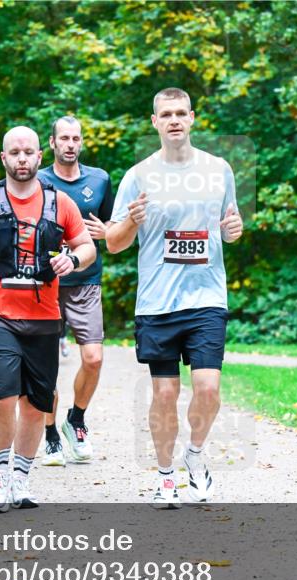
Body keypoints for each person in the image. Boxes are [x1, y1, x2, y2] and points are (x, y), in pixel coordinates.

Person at [105, 87, 243, 509]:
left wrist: (233, 232)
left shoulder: (219, 169)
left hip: (206, 297)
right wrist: (131, 220)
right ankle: (166, 475)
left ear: (193, 118)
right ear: (155, 121)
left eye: (181, 112)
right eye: (166, 114)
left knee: (208, 389)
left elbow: (229, 226)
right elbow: (112, 243)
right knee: (164, 395)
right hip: (157, 303)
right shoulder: (138, 176)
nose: (174, 120)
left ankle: (195, 455)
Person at [0, 126, 95, 512]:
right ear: (4, 158)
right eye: (15, 152)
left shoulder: (61, 203)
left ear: (39, 157)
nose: (22, 159)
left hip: (44, 317)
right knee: (3, 392)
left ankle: (20, 478)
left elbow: (87, 247)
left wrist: (72, 259)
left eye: (29, 152)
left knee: (34, 403)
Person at [37, 116, 114, 467]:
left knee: (94, 358)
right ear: (52, 143)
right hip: (45, 283)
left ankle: (76, 419)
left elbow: (113, 229)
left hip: (86, 280)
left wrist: (106, 233)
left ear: (82, 142)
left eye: (76, 138)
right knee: (45, 366)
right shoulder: (38, 180)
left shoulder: (99, 179)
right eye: (64, 138)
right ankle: (50, 434)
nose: (70, 144)